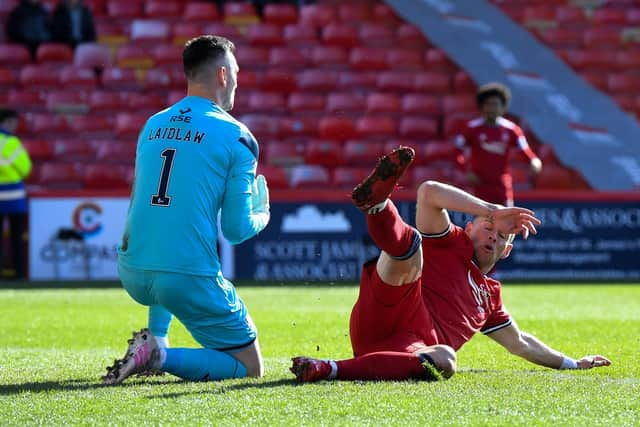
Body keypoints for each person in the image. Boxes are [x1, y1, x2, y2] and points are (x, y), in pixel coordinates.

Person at [290, 146, 610, 382]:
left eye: (501, 238)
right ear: (469, 228)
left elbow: (520, 343)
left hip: (409, 348)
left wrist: (571, 363)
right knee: (412, 249)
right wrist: (491, 208)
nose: (493, 237)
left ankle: (327, 368)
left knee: (445, 359)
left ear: (507, 252)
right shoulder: (452, 241)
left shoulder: (490, 297)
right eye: (488, 226)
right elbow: (429, 192)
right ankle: (377, 207)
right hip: (388, 307)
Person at [102, 35, 270, 385]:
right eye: (236, 71)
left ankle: (156, 336)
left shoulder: (153, 124)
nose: (238, 79)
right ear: (223, 75)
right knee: (250, 365)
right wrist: (262, 214)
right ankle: (159, 356)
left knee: (167, 245)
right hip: (183, 277)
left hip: (132, 271)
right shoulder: (238, 136)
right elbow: (237, 229)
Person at [454, 82, 542, 206]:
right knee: (482, 221)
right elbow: (457, 151)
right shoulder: (471, 128)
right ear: (481, 106)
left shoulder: (512, 130)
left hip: (502, 184)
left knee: (506, 220)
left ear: (503, 107)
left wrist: (534, 161)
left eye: (495, 104)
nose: (492, 108)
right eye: (488, 104)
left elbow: (525, 151)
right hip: (479, 184)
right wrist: (466, 170)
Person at [0, 109, 32, 281]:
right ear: (6, 122)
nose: (15, 126)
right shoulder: (11, 142)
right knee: (16, 238)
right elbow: (25, 168)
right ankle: (19, 273)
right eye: (13, 122)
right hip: (13, 197)